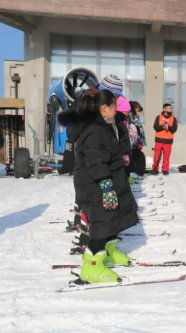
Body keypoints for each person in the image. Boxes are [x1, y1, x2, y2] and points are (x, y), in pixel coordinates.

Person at [58, 88, 138, 283]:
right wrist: (106, 186)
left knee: (113, 220)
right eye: (113, 107)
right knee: (102, 225)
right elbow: (96, 161)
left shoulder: (102, 125)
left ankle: (108, 252)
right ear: (104, 108)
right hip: (96, 186)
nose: (116, 111)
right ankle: (92, 268)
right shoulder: (95, 130)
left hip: (107, 181)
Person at [152, 103, 178, 175]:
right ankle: (155, 169)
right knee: (156, 157)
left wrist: (168, 127)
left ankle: (165, 169)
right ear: (164, 109)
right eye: (169, 108)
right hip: (159, 140)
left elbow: (174, 129)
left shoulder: (174, 118)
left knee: (166, 157)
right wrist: (162, 127)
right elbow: (155, 127)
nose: (170, 109)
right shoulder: (158, 117)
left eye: (171, 108)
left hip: (168, 141)